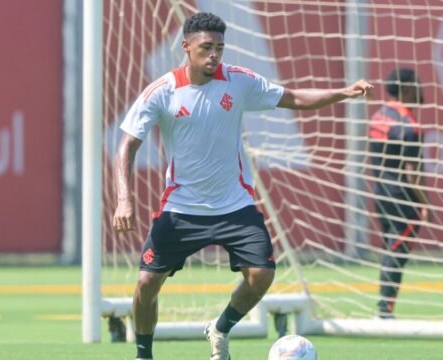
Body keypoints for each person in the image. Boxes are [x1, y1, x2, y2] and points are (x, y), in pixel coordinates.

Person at [113, 12, 373, 360]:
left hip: (234, 205)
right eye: (206, 47)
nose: (214, 55)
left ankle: (219, 328)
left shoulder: (239, 81)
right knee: (146, 284)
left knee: (262, 274)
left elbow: (293, 98)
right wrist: (123, 200)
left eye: (220, 47)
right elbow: (126, 145)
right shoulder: (161, 92)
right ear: (186, 47)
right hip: (182, 209)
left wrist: (342, 93)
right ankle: (144, 355)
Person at [368, 68, 430, 319]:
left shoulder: (379, 116)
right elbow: (413, 174)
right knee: (397, 251)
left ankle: (384, 309)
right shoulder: (409, 125)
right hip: (403, 197)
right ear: (406, 88)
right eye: (416, 83)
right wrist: (426, 204)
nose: (420, 88)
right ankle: (385, 312)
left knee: (390, 248)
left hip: (381, 192)